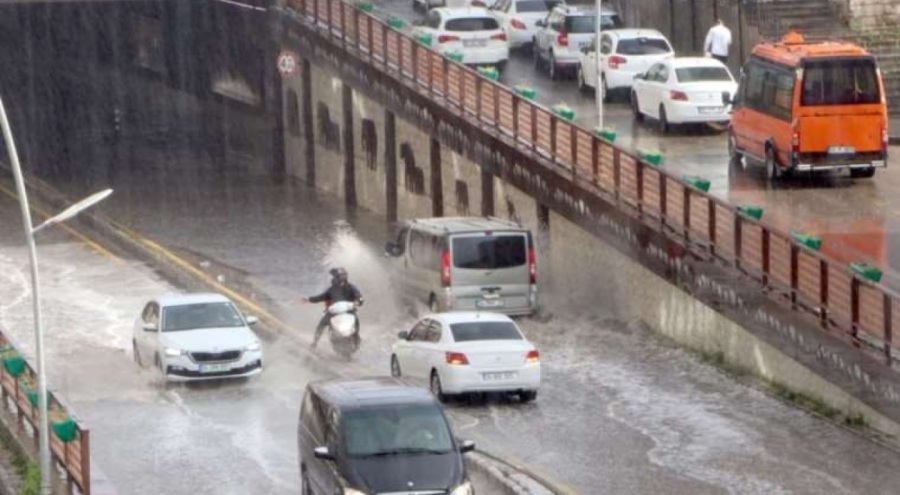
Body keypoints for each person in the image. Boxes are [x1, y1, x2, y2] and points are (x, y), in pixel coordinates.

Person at [300, 267, 364, 349]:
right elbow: (321, 297)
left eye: (344, 275)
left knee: (356, 320)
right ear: (336, 277)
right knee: (322, 324)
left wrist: (359, 301)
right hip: (334, 312)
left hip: (348, 311)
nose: (342, 277)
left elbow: (359, 296)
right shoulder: (332, 289)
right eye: (341, 276)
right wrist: (308, 299)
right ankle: (315, 342)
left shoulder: (351, 287)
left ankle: (356, 337)